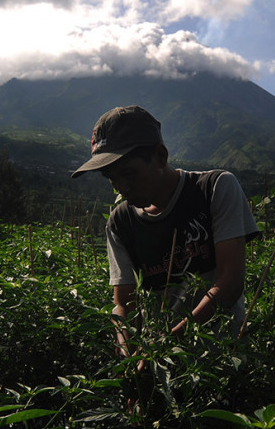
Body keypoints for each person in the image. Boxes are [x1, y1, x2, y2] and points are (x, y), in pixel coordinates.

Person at [71, 105, 261, 362]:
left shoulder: (213, 189)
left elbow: (230, 282)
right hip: (159, 369)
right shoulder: (120, 223)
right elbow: (124, 304)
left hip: (222, 362)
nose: (121, 187)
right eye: (110, 177)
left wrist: (165, 347)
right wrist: (128, 356)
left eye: (129, 173)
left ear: (161, 156)